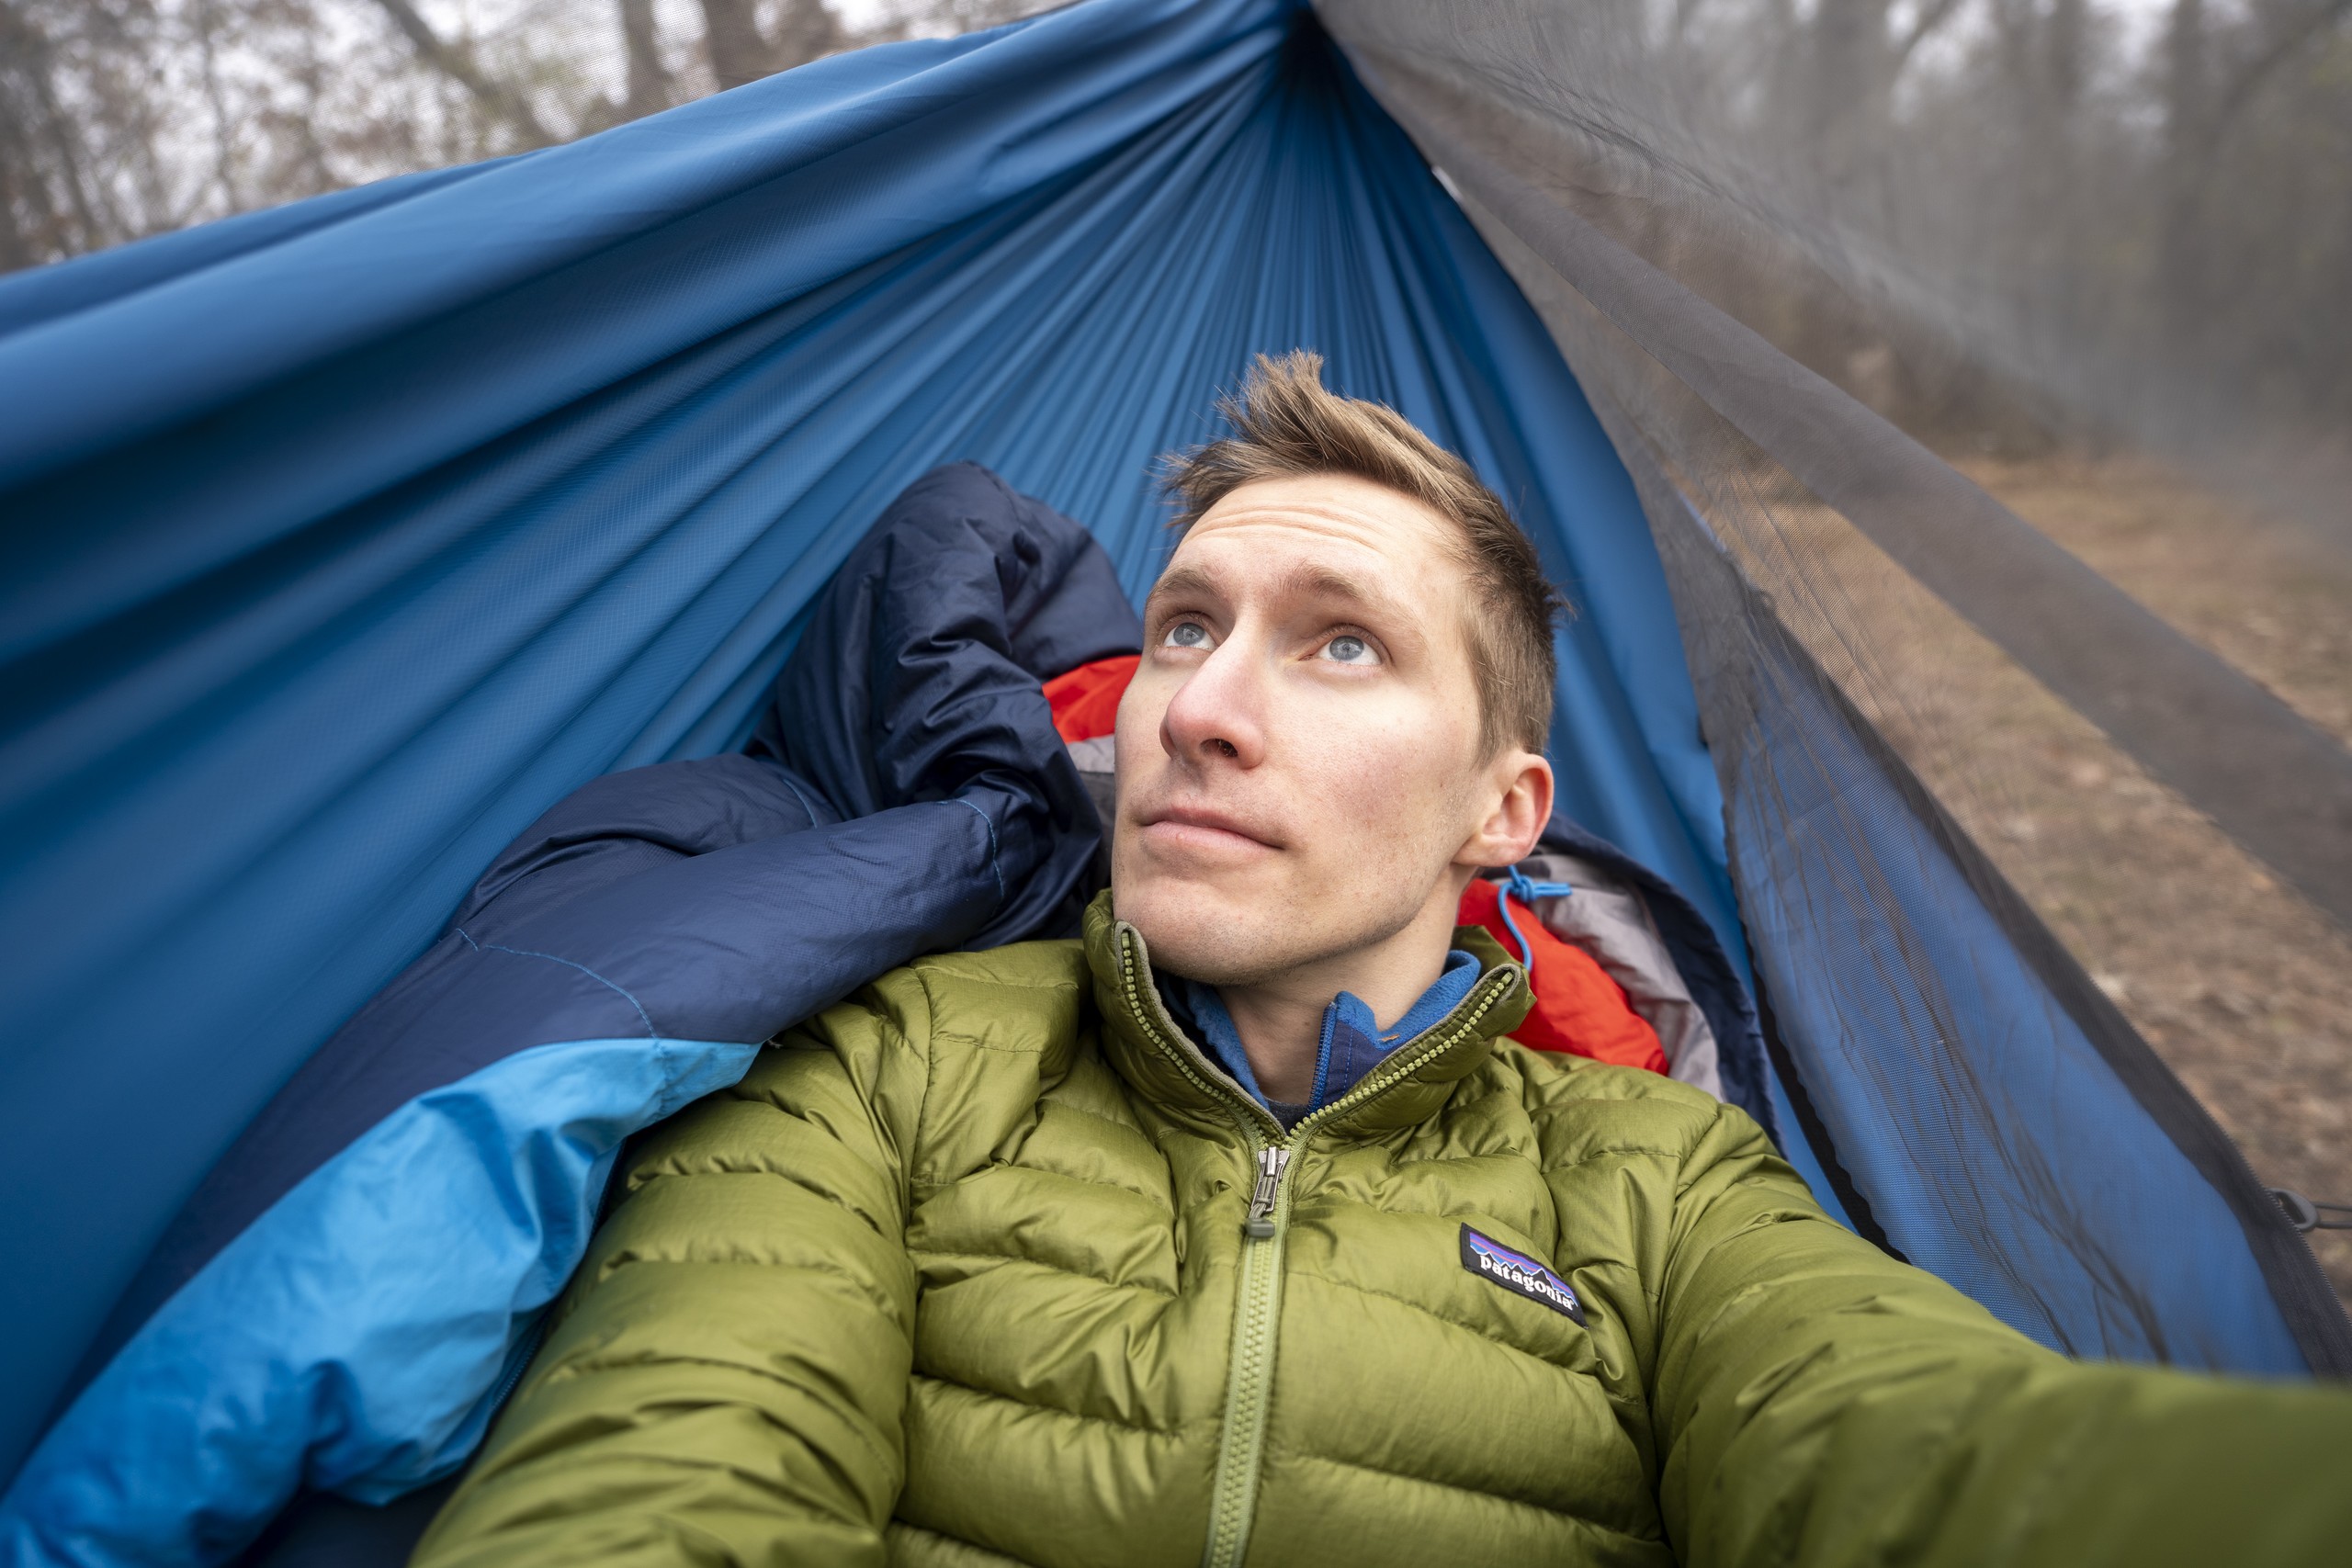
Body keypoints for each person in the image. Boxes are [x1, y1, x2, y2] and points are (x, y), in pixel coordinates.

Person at [410, 354, 2352, 1568]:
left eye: (1339, 642)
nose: (1199, 709)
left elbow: (1930, 1452)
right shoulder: (893, 1064)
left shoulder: (1656, 1176)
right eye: (1186, 628)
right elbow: (662, 1479)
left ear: (1503, 811)